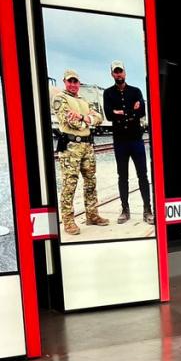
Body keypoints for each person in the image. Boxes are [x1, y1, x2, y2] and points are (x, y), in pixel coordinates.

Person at [56, 69, 108, 236]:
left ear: (79, 83)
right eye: (70, 81)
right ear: (64, 81)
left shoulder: (84, 101)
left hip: (87, 146)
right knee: (70, 185)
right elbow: (68, 121)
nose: (73, 84)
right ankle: (68, 221)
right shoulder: (61, 99)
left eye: (75, 81)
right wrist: (87, 121)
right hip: (70, 147)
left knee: (90, 182)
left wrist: (82, 117)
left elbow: (99, 118)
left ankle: (92, 214)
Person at [102, 61, 154, 225]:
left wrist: (120, 112)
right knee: (122, 176)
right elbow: (109, 115)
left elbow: (142, 111)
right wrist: (131, 112)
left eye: (121, 71)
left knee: (143, 176)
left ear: (125, 73)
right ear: (112, 74)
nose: (119, 74)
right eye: (115, 72)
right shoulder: (108, 93)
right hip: (120, 142)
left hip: (136, 140)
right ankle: (125, 209)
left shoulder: (135, 91)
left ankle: (147, 208)